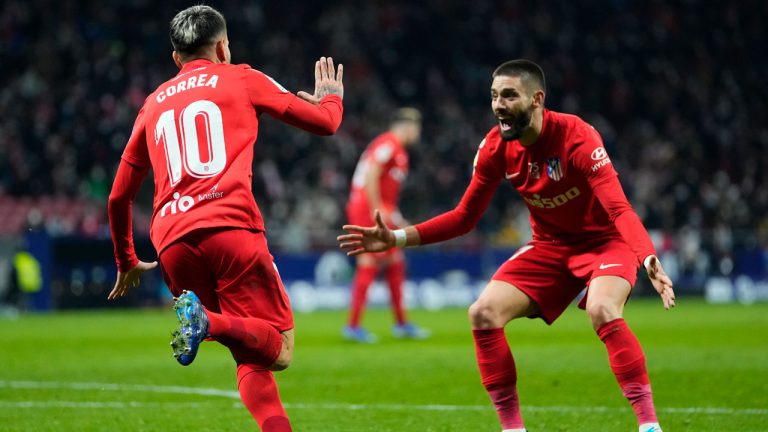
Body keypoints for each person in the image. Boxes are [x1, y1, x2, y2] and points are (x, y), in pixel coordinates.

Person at [338, 59, 675, 432]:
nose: (498, 104)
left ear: (537, 100)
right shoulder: (495, 147)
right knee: (482, 313)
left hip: (605, 243)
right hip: (549, 246)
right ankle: (513, 429)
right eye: (494, 96)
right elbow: (464, 217)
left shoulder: (577, 137)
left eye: (509, 95)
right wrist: (397, 237)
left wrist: (647, 256)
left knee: (602, 309)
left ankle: (648, 426)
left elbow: (618, 208)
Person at [106, 6, 343, 432]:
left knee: (247, 349)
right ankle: (207, 320)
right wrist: (331, 98)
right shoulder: (242, 76)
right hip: (230, 228)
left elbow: (119, 196)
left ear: (176, 59)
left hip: (172, 241)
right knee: (281, 349)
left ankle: (210, 326)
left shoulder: (152, 103)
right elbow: (326, 124)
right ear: (222, 46)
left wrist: (126, 261)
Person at [343, 107, 430, 343]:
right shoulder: (389, 143)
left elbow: (387, 192)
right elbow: (371, 173)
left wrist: (395, 217)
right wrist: (376, 211)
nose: (418, 133)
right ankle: (352, 326)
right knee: (369, 261)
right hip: (366, 209)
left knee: (395, 262)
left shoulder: (397, 150)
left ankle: (401, 324)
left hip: (379, 209)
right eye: (417, 128)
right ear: (408, 127)